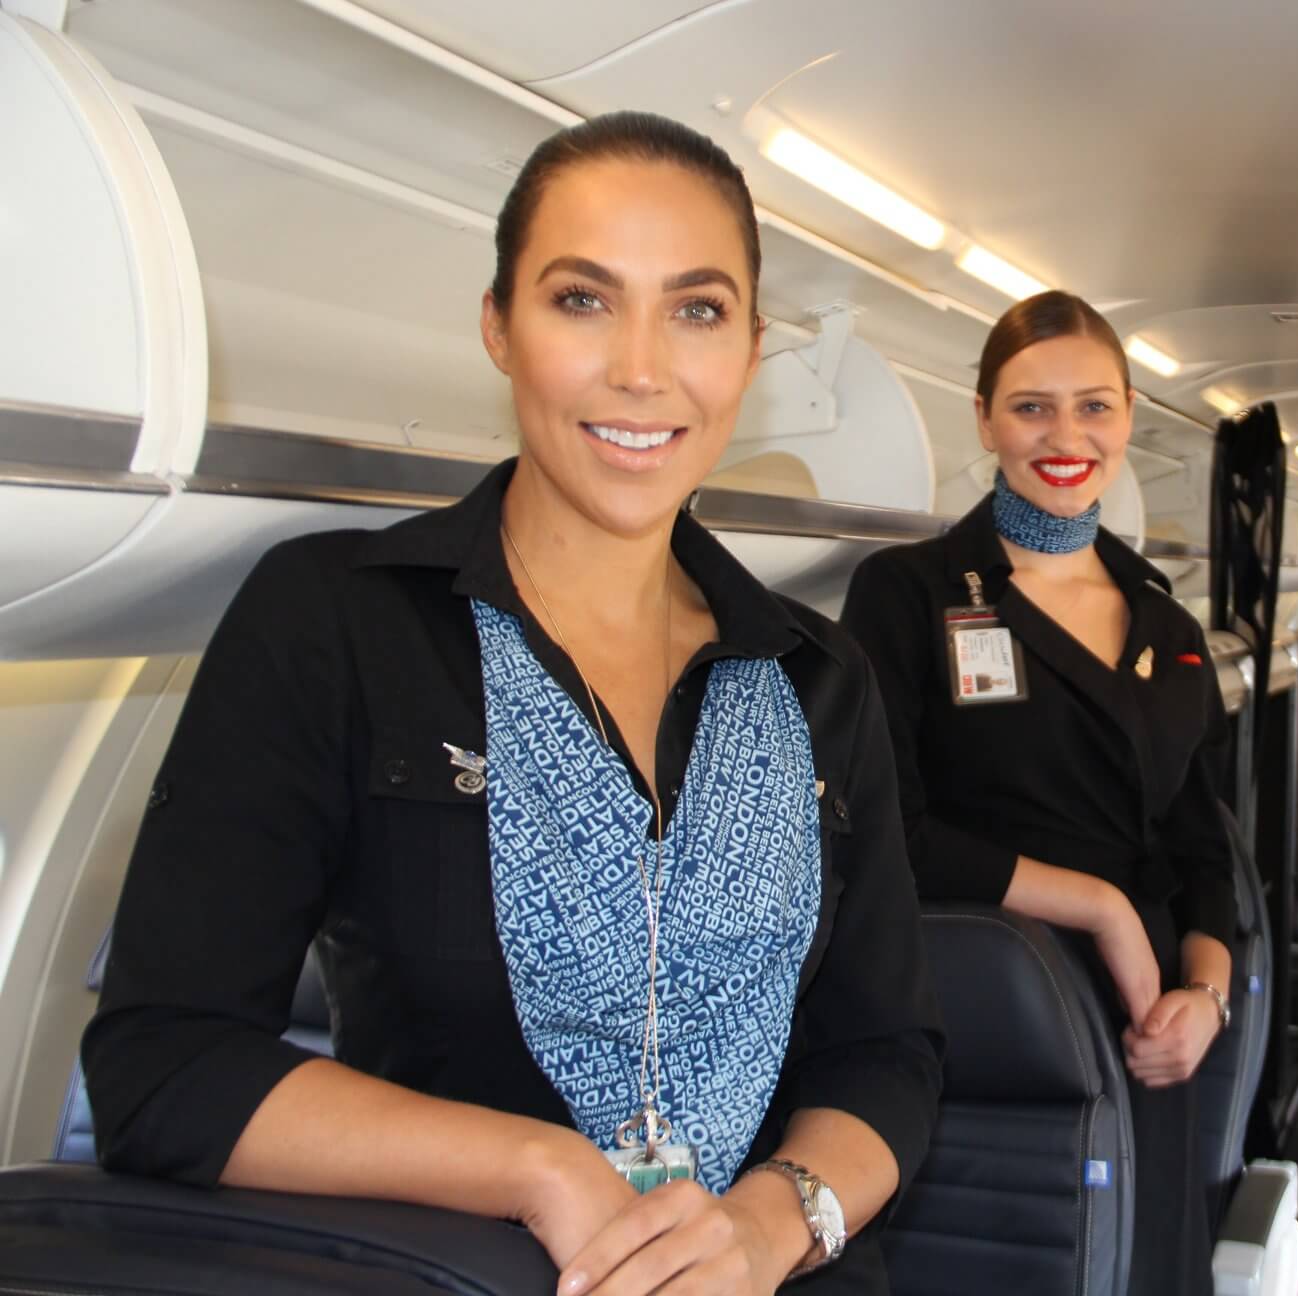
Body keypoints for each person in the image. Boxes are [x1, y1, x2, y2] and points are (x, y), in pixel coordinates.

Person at [83, 111, 942, 1296]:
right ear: (499, 327)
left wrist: (761, 1225)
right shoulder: (340, 621)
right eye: (581, 299)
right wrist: (538, 1170)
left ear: (748, 351)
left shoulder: (818, 677)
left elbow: (886, 1055)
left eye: (697, 309)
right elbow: (165, 1066)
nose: (641, 367)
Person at [840, 290, 1235, 1296]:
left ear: (1130, 415)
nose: (1067, 437)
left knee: (1146, 1262)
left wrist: (1207, 999)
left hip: (1149, 1023)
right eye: (1032, 408)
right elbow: (888, 831)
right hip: (984, 1011)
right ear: (983, 419)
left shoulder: (1166, 621)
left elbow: (1201, 851)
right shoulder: (911, 593)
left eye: (1094, 407)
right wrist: (1096, 906)